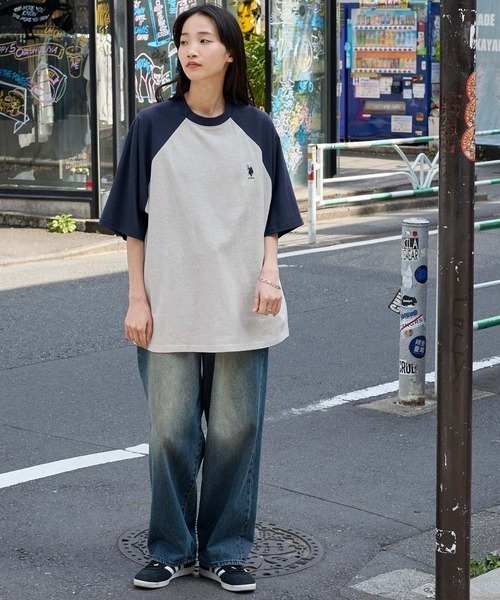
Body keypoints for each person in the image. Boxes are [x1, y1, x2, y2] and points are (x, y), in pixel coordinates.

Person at [99, 3, 302, 593]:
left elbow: (274, 216)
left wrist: (271, 274)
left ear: (229, 52)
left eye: (205, 39)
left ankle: (226, 552)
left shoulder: (258, 128)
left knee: (237, 436)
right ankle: (170, 549)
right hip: (169, 306)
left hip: (244, 308)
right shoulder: (152, 126)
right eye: (184, 39)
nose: (191, 49)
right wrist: (137, 299)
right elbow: (133, 224)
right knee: (170, 435)